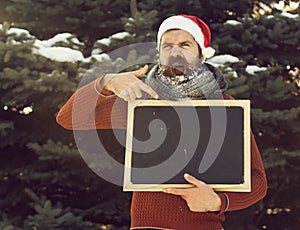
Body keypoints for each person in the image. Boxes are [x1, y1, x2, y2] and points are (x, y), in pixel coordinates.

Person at [56, 14, 267, 230]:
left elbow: (257, 182)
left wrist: (218, 202)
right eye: (167, 46)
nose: (175, 52)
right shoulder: (142, 103)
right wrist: (106, 82)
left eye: (185, 44)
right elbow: (67, 118)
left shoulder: (224, 106)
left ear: (201, 55)